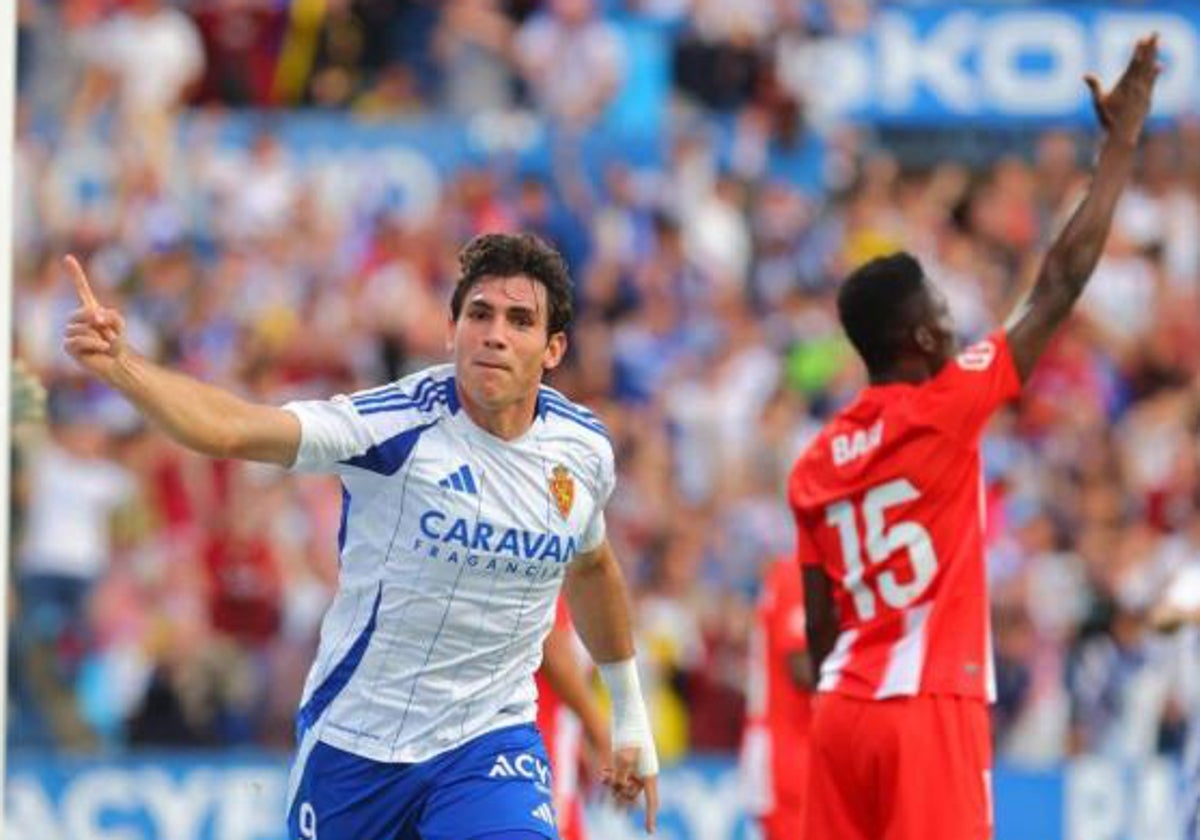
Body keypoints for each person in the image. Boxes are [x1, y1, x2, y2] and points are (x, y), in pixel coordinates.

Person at [62, 232, 659, 839]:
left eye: (520, 320)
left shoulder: (582, 452)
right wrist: (123, 366)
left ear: (553, 348)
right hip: (358, 745)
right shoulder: (390, 427)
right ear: (452, 330)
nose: (495, 334)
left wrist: (628, 714)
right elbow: (237, 431)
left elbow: (590, 567)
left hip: (489, 744)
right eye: (479, 314)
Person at [787, 36, 1159, 840]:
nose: (958, 321)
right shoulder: (946, 404)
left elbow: (822, 628)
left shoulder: (815, 460)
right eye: (944, 311)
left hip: (841, 713)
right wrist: (1121, 142)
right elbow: (1059, 283)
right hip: (927, 706)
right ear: (920, 339)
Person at [739, 556, 813, 840]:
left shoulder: (790, 571)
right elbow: (802, 668)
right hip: (786, 747)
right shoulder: (797, 573)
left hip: (789, 742)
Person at [536, 599, 609, 840]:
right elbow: (555, 658)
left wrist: (581, 748)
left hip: (560, 758)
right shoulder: (550, 579)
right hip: (541, 757)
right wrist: (603, 736)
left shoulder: (571, 593)